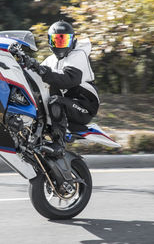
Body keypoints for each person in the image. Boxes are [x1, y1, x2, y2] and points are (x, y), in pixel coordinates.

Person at [27, 20, 100, 158]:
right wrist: (26, 65)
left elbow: (68, 79)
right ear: (50, 42)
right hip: (68, 102)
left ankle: (59, 144)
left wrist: (41, 70)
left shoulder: (78, 54)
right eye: (56, 41)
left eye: (64, 40)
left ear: (73, 40)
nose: (60, 45)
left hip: (85, 104)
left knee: (56, 101)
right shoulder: (51, 60)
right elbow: (36, 77)